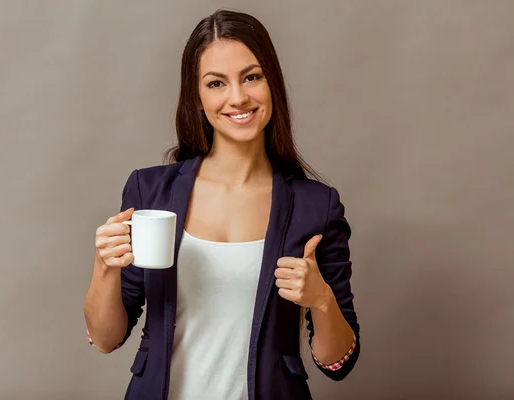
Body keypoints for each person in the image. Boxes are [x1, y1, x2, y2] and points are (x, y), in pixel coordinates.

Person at [84, 9, 360, 400]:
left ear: (272, 84)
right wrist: (104, 268)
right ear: (196, 96)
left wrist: (321, 299)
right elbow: (105, 339)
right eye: (216, 83)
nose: (237, 97)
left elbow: (338, 362)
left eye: (251, 77)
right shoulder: (150, 192)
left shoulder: (316, 206)